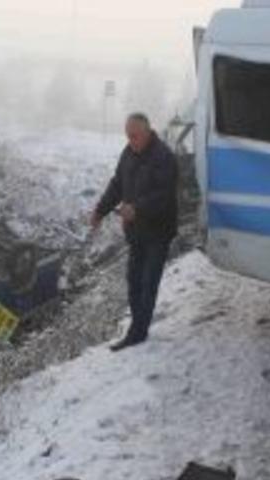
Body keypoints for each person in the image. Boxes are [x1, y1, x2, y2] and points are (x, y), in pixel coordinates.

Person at [90, 113, 179, 352]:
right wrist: (101, 210)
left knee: (148, 282)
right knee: (133, 281)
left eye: (135, 136)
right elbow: (118, 184)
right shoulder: (128, 153)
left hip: (158, 232)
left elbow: (163, 196)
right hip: (136, 232)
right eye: (128, 136)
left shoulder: (164, 157)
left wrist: (137, 209)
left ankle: (137, 333)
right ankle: (137, 327)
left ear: (148, 132)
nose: (131, 140)